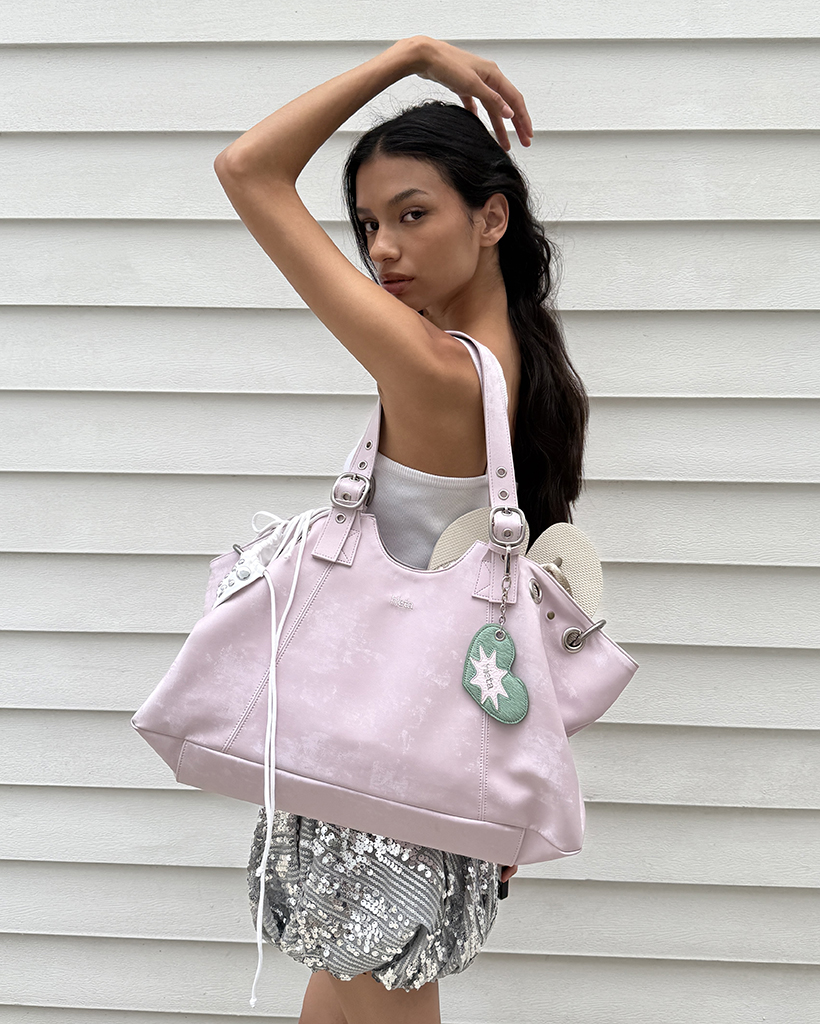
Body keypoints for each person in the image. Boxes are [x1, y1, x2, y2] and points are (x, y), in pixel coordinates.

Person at [213, 34, 588, 1024]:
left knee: (372, 1000)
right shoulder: (527, 364)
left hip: (385, 752)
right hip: (432, 747)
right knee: (341, 1004)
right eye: (369, 222)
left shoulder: (435, 369)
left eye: (412, 215)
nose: (381, 248)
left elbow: (247, 169)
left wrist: (408, 56)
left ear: (491, 217)